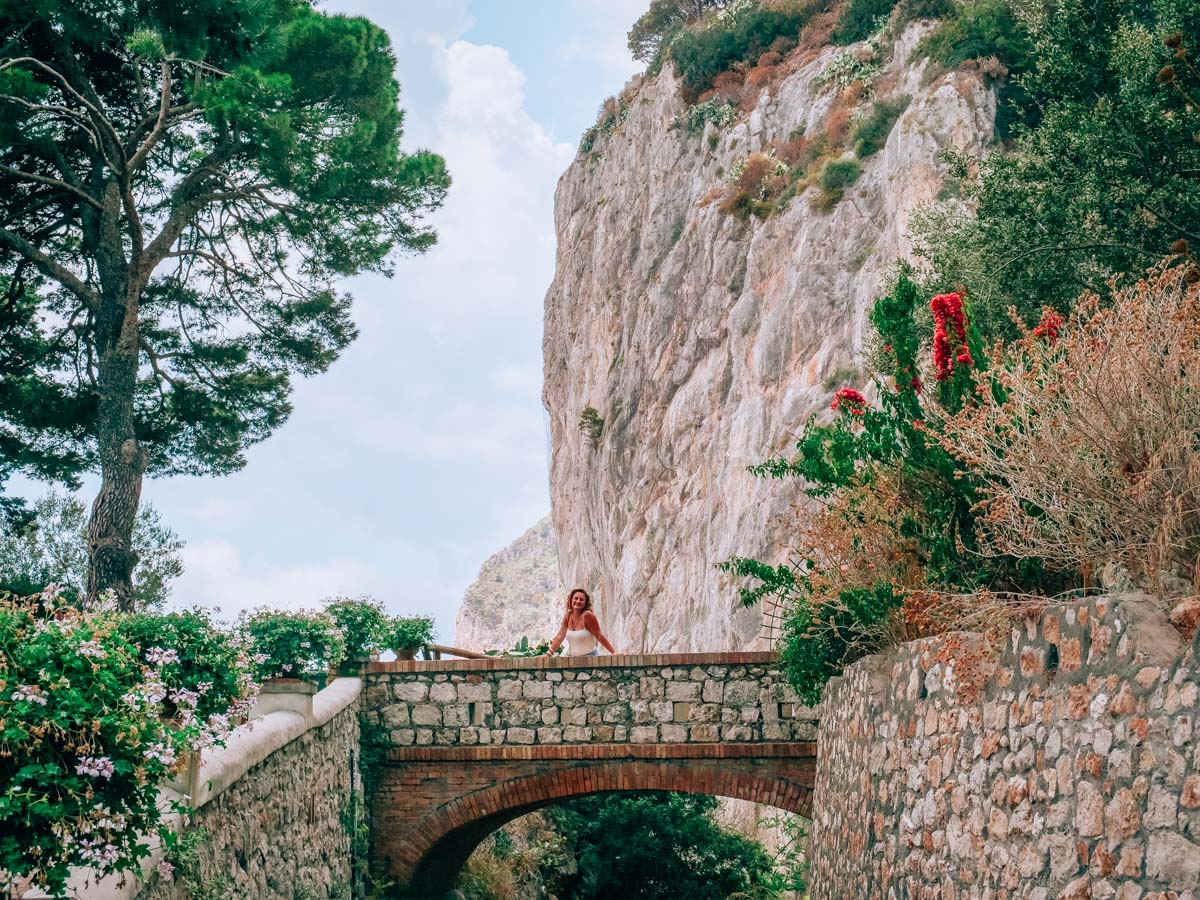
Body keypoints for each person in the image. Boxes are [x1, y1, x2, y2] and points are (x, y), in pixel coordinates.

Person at [546, 588, 617, 656]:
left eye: (581, 599)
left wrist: (614, 652)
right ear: (571, 600)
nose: (578, 601)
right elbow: (560, 636)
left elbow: (599, 635)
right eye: (576, 598)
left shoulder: (588, 615)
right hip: (571, 658)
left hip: (590, 658)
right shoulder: (568, 615)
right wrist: (548, 655)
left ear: (585, 603)